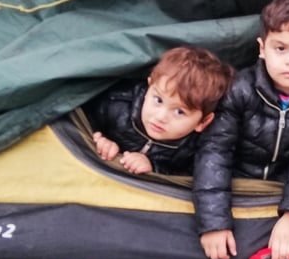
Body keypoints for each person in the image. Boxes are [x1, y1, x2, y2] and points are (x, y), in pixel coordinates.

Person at [192, 0, 289, 259]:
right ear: (262, 48)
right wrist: (214, 222)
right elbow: (215, 152)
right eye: (280, 48)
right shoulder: (239, 90)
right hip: (237, 178)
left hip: (282, 184)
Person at [84, 46, 234, 175]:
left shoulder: (195, 147)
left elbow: (190, 175)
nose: (161, 117)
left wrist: (153, 167)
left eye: (179, 112)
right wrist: (101, 139)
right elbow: (84, 117)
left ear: (203, 122)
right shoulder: (118, 105)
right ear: (150, 85)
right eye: (158, 100)